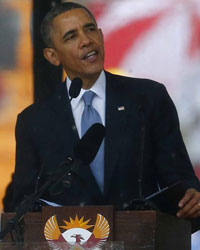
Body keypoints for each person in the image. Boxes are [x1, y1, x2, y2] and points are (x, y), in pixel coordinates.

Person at [11, 2, 200, 219]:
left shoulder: (148, 98)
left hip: (143, 239)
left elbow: (180, 179)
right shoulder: (34, 121)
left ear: (101, 35)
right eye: (71, 36)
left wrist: (191, 195)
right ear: (53, 56)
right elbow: (23, 205)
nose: (86, 41)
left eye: (90, 29)